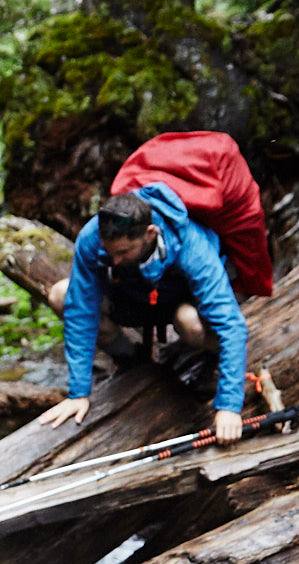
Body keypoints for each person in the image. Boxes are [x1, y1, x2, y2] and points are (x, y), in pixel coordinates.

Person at [34, 148, 257, 446]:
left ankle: (211, 359)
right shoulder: (94, 239)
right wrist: (78, 393)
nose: (114, 260)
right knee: (63, 294)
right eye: (109, 253)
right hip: (130, 298)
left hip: (177, 303)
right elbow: (80, 312)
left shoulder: (191, 245)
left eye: (124, 252)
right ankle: (132, 360)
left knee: (191, 325)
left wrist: (229, 406)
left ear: (151, 234)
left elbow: (231, 325)